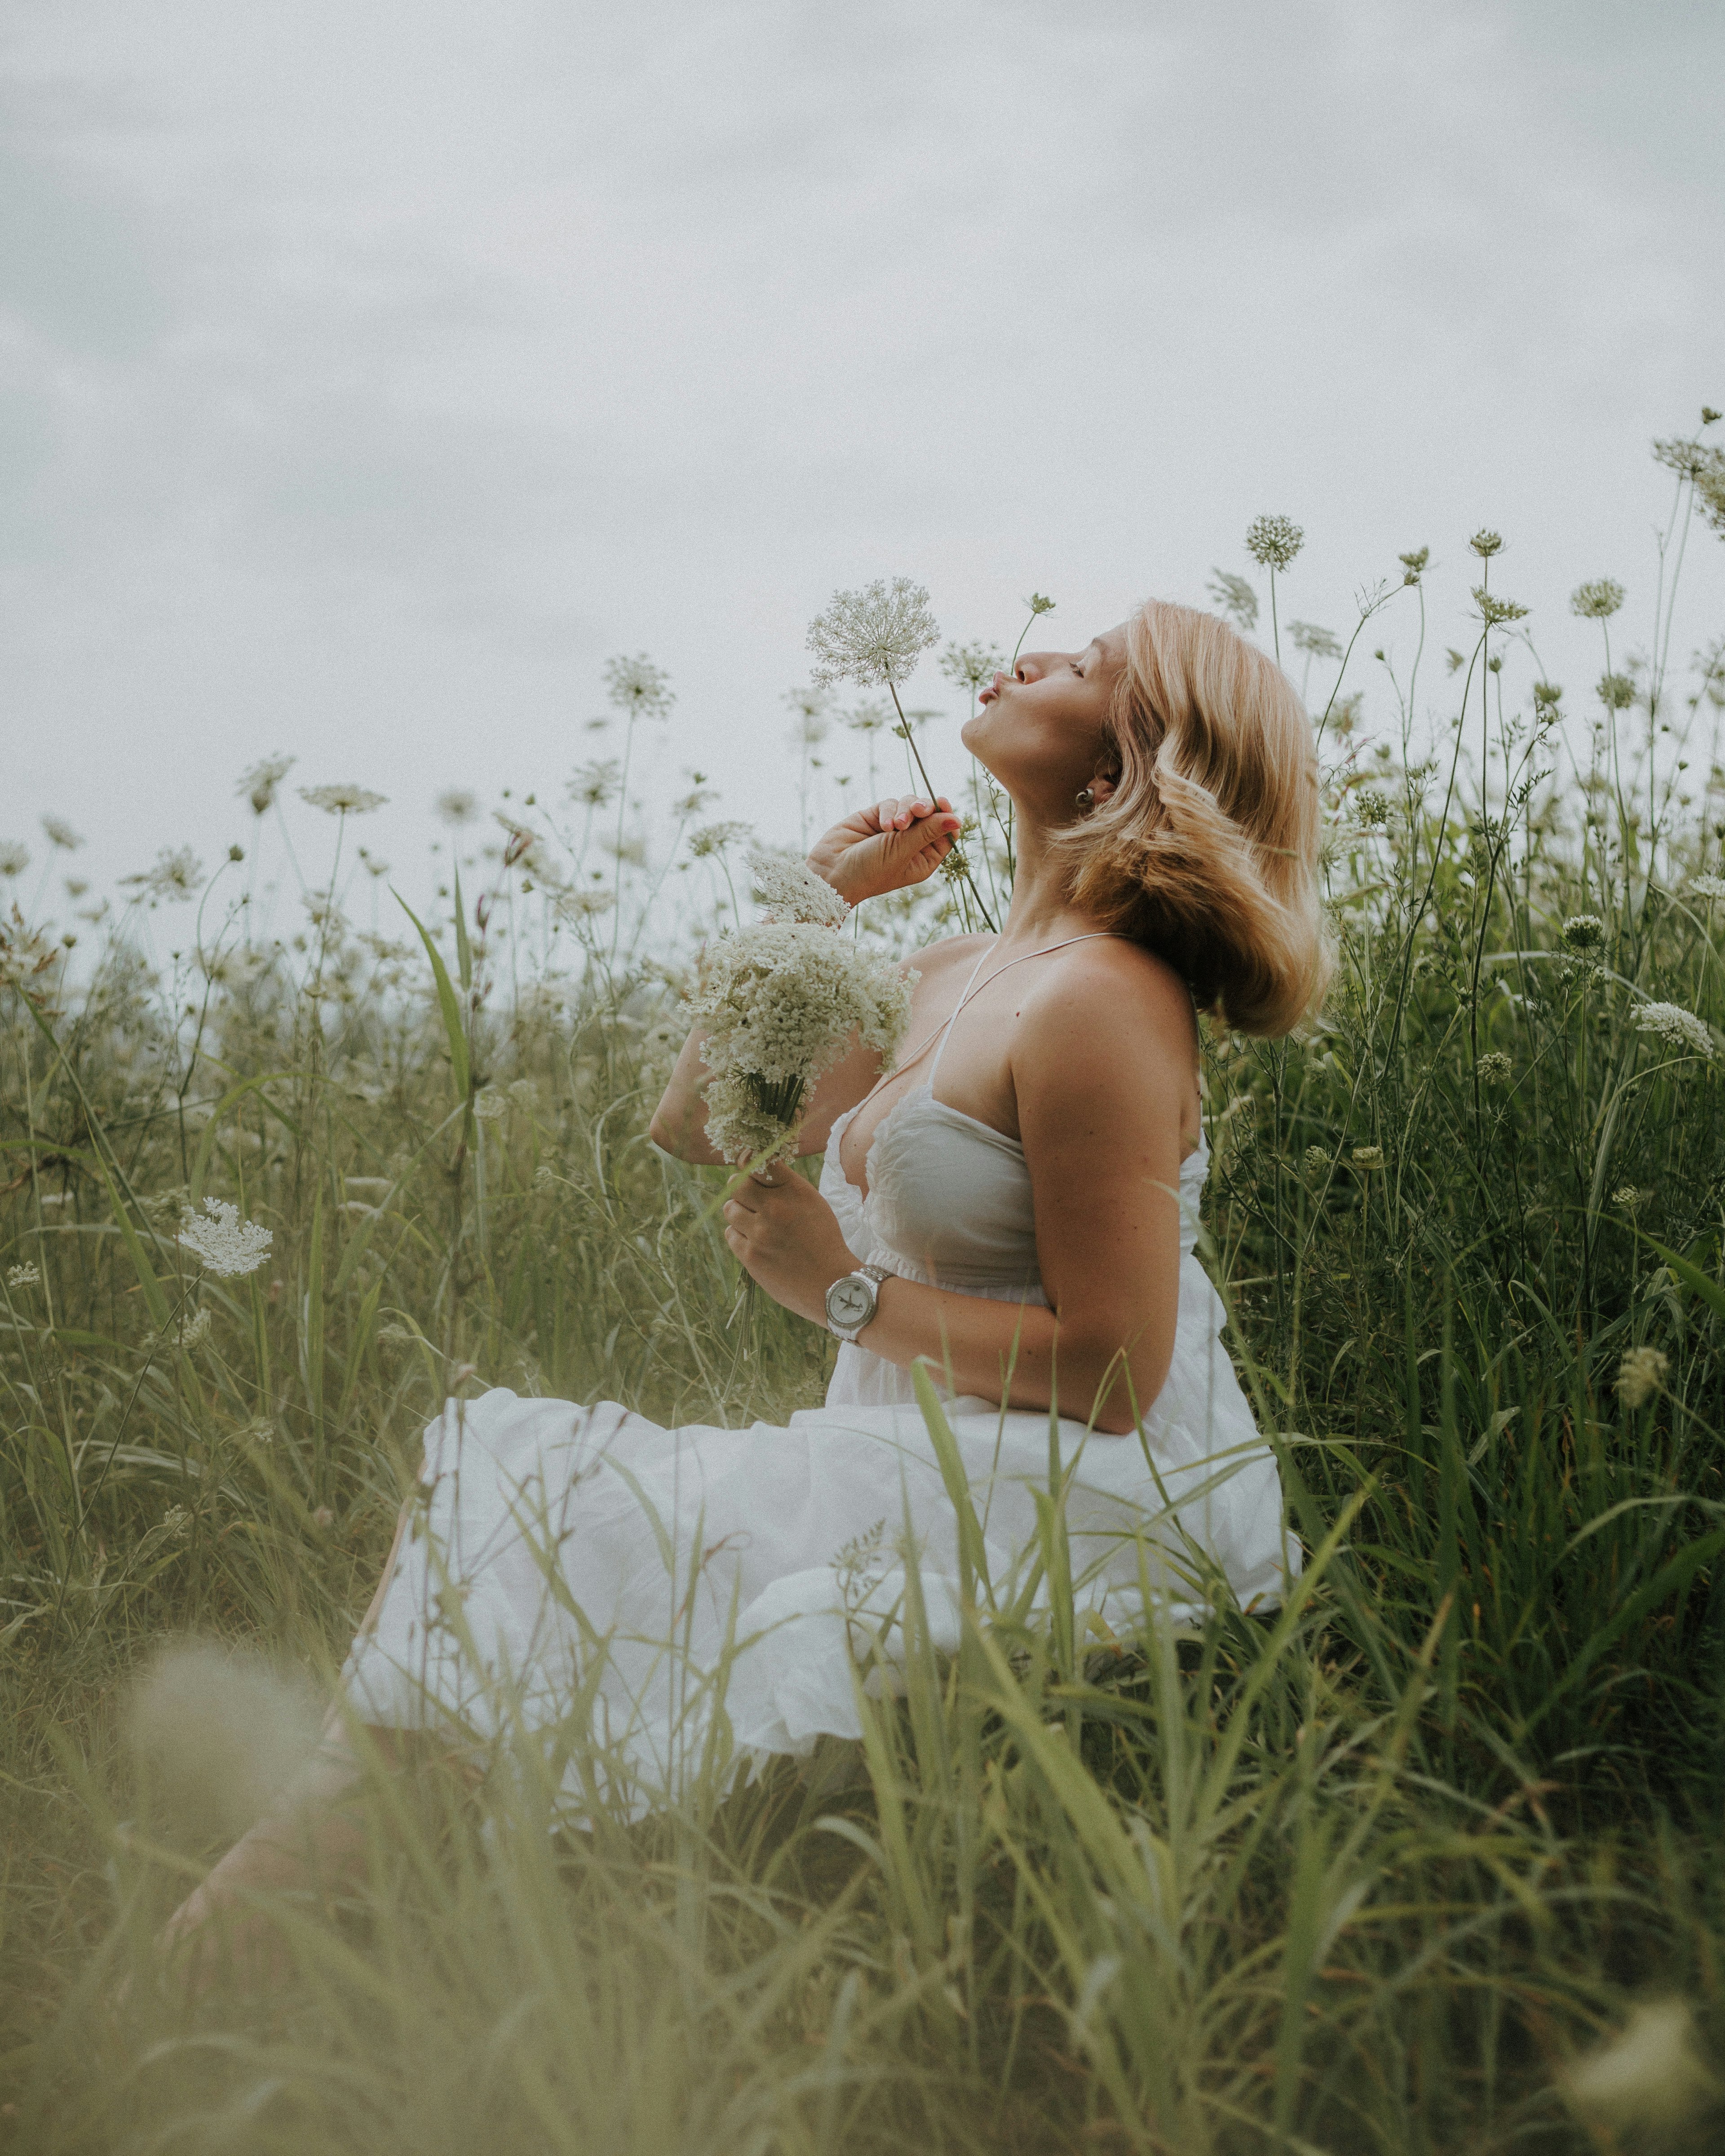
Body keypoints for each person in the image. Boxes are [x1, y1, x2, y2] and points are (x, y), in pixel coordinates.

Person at [156, 598, 1327, 1981]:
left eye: (1084, 666)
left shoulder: (1106, 998)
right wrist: (806, 909)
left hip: (1079, 1490)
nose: (1028, 654)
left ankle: (223, 1964)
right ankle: (287, 1935)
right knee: (505, 1506)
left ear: (1126, 760)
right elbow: (699, 1121)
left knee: (529, 1509)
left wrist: (843, 1297)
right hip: (920, 1452)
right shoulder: (952, 973)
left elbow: (1121, 1373)